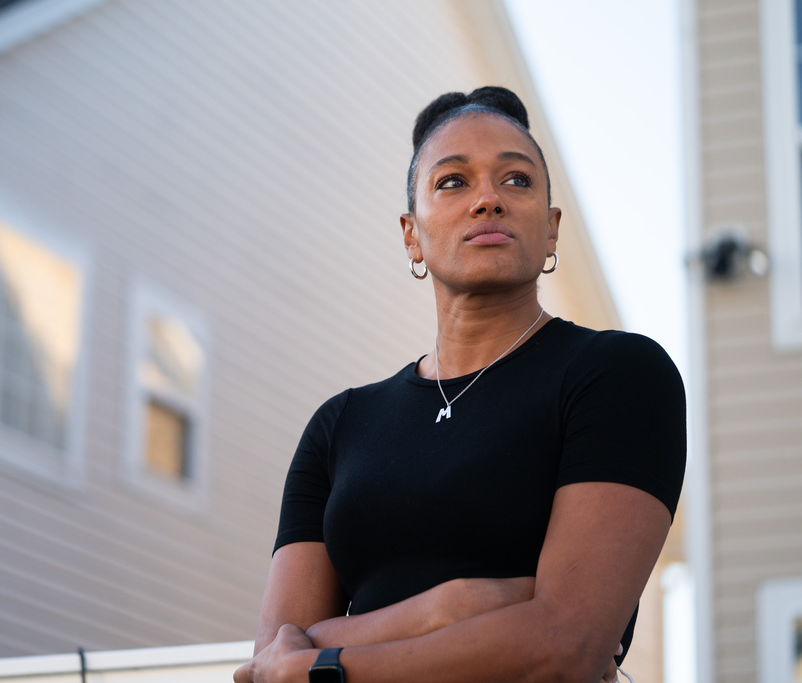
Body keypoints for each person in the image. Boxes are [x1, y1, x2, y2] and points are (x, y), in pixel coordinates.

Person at [233, 87, 686, 683]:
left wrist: (328, 662)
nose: (489, 201)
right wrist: (451, 608)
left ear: (551, 231)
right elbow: (269, 664)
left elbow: (565, 646)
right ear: (411, 235)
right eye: (453, 182)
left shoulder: (617, 376)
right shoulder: (340, 425)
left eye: (517, 181)